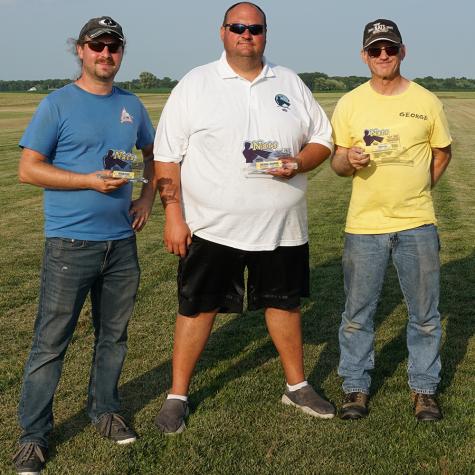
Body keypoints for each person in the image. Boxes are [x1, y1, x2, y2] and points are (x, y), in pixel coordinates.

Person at [153, 2, 335, 435]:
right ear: (222, 33)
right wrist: (173, 215)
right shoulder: (195, 84)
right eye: (238, 27)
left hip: (283, 227)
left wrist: (299, 162)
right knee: (198, 308)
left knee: (284, 304)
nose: (246, 34)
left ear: (265, 34)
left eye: (255, 28)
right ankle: (177, 395)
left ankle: (297, 385)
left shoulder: (288, 81)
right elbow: (167, 156)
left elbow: (324, 138)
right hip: (213, 226)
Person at [13, 16, 156, 474]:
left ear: (121, 52)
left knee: (112, 338)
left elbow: (155, 157)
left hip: (121, 246)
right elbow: (29, 169)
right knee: (50, 344)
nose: (105, 54)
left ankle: (105, 411)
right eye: (97, 46)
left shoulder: (132, 105)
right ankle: (33, 436)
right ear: (80, 50)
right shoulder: (57, 105)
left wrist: (147, 199)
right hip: (70, 246)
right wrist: (85, 182)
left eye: (113, 47)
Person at [330, 19, 452, 421]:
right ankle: (355, 387)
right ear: (364, 55)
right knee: (357, 314)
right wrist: (348, 159)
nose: (384, 56)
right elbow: (337, 162)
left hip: (417, 224)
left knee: (425, 315)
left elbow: (442, 153)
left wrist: (419, 189)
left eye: (391, 49)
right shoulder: (350, 103)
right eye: (376, 50)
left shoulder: (427, 101)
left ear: (403, 52)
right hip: (364, 227)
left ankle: (424, 389)